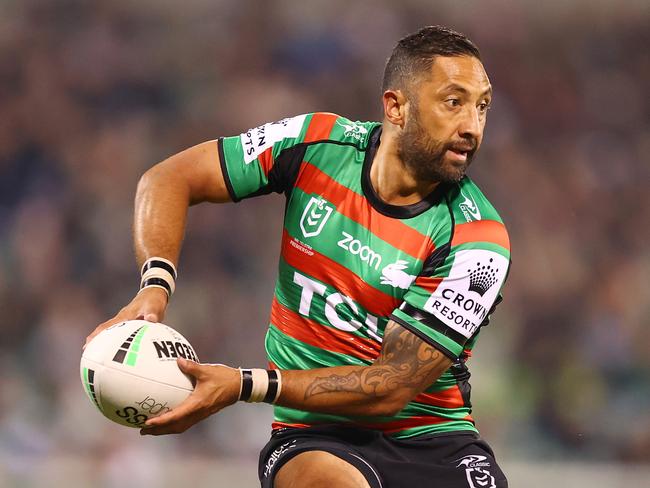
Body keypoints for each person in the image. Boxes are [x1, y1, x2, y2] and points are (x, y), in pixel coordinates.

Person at [86, 25, 510, 488]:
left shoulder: (478, 241)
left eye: (482, 106)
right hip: (316, 436)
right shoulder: (315, 143)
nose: (472, 125)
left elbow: (390, 387)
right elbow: (168, 180)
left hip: (438, 441)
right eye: (454, 102)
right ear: (396, 107)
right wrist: (155, 287)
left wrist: (244, 385)